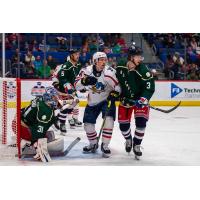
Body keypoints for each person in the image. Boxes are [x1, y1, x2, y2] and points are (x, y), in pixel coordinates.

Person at [75, 52, 121, 157]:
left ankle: (105, 145)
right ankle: (93, 143)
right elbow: (76, 85)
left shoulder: (109, 72)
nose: (104, 62)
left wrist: (115, 93)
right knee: (87, 124)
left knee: (108, 121)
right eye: (101, 60)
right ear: (95, 61)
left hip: (107, 100)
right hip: (93, 101)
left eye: (105, 60)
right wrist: (84, 81)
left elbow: (118, 86)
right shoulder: (86, 71)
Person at [116, 44, 155, 159]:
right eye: (137, 56)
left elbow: (149, 87)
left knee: (141, 123)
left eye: (140, 57)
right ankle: (128, 140)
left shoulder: (144, 71)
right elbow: (116, 79)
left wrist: (144, 99)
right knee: (123, 126)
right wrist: (116, 91)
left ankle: (137, 145)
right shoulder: (121, 65)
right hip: (126, 100)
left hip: (139, 101)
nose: (140, 59)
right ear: (131, 57)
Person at [12, 87, 60, 162]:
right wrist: (36, 142)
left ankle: (26, 140)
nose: (56, 98)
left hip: (18, 122)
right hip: (21, 128)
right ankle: (27, 143)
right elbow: (39, 131)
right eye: (54, 96)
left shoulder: (40, 99)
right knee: (45, 136)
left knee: (46, 133)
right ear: (49, 97)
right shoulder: (45, 110)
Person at [52, 49, 83, 135]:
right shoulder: (66, 66)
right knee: (66, 107)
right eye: (76, 54)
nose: (78, 56)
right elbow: (61, 77)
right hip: (64, 90)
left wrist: (82, 85)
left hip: (72, 90)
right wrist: (67, 87)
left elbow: (79, 77)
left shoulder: (78, 65)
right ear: (71, 55)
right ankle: (62, 124)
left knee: (71, 106)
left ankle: (57, 118)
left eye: (78, 54)